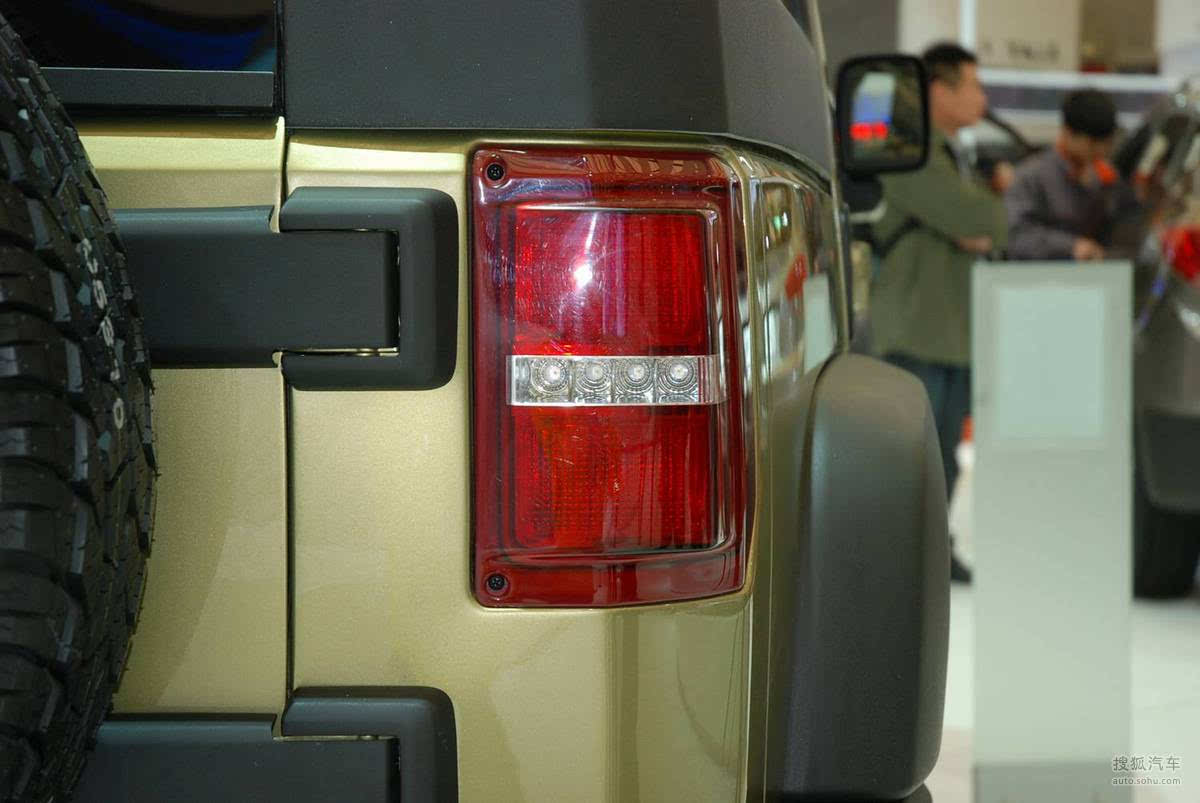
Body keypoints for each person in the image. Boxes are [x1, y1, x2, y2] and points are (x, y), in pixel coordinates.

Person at [870, 43, 1008, 583]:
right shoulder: (909, 151)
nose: (982, 98)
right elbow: (973, 217)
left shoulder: (949, 154)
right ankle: (900, 557)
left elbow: (977, 224)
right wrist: (985, 213)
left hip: (947, 328)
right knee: (914, 453)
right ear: (938, 90)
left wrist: (977, 220)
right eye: (973, 84)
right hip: (916, 327)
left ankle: (928, 552)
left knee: (942, 450)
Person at [1005, 88, 1140, 262]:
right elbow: (1018, 237)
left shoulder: (1106, 178)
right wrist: (1070, 246)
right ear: (1067, 133)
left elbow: (1126, 225)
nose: (1100, 151)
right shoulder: (1031, 177)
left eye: (1106, 144)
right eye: (1092, 143)